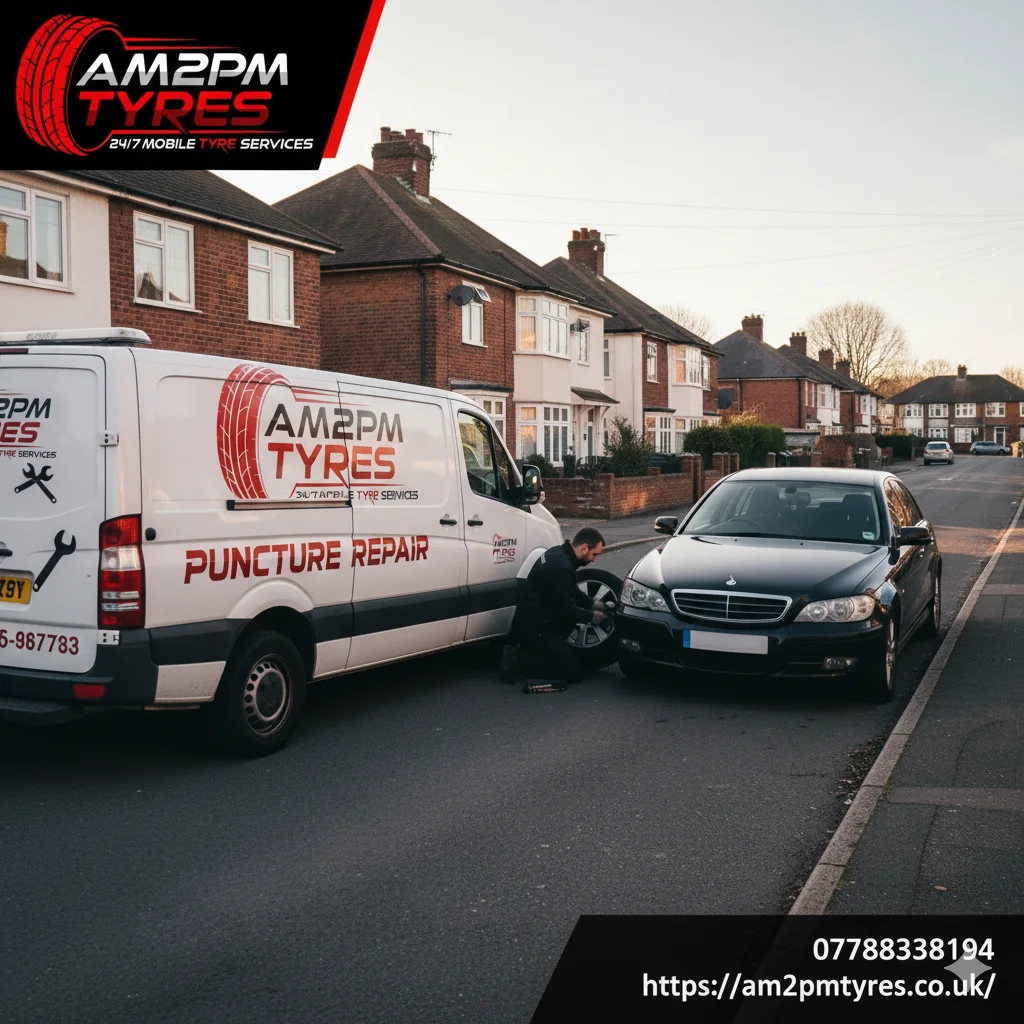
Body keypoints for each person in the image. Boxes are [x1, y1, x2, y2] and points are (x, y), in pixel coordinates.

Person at [499, 527, 609, 692]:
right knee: (573, 674)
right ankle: (517, 662)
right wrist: (593, 616)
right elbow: (567, 611)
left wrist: (593, 603)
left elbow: (572, 592)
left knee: (565, 655)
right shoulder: (561, 568)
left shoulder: (558, 554)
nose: (594, 560)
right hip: (537, 628)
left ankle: (530, 651)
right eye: (594, 554)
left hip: (533, 620)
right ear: (584, 548)